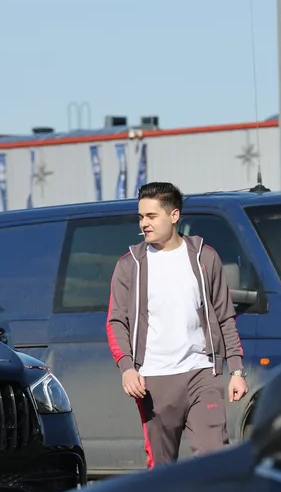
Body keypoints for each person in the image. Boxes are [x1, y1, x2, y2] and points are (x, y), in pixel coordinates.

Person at [106, 181, 249, 469]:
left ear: (174, 216)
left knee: (216, 460)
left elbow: (224, 316)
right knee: (161, 469)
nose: (144, 224)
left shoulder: (204, 257)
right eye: (141, 217)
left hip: (201, 373)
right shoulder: (129, 265)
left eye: (151, 216)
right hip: (153, 381)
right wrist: (127, 368)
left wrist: (236, 370)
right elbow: (116, 321)